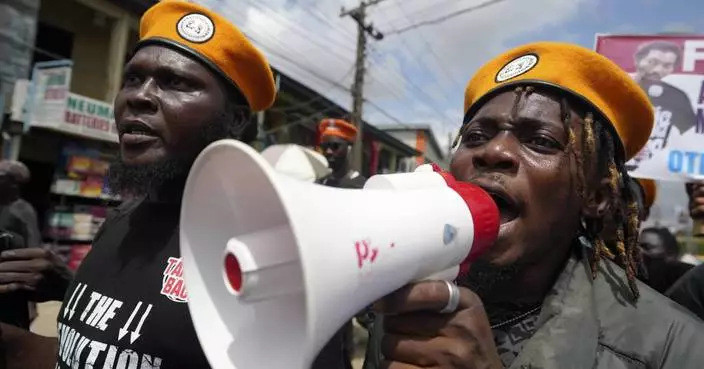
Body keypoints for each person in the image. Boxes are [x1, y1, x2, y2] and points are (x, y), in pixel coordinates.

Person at [0, 1, 345, 368]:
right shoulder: (121, 220)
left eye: (176, 82)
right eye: (132, 78)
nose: (139, 96)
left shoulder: (275, 259)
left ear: (236, 119)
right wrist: (58, 296)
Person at [362, 42, 704, 369]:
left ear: (596, 198)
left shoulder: (673, 347)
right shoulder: (408, 293)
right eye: (476, 136)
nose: (493, 152)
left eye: (540, 141)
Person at [628, 41, 697, 170]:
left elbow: (691, 139)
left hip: (651, 177)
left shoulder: (678, 97)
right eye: (652, 62)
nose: (657, 70)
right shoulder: (614, 87)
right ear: (638, 60)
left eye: (667, 65)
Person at [639, 227, 693, 293]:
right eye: (636, 245)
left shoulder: (690, 278)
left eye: (647, 247)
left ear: (671, 253)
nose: (639, 251)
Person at [316, 118, 366, 189]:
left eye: (335, 146)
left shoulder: (362, 186)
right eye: (325, 146)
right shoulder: (319, 184)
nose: (328, 151)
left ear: (349, 147)